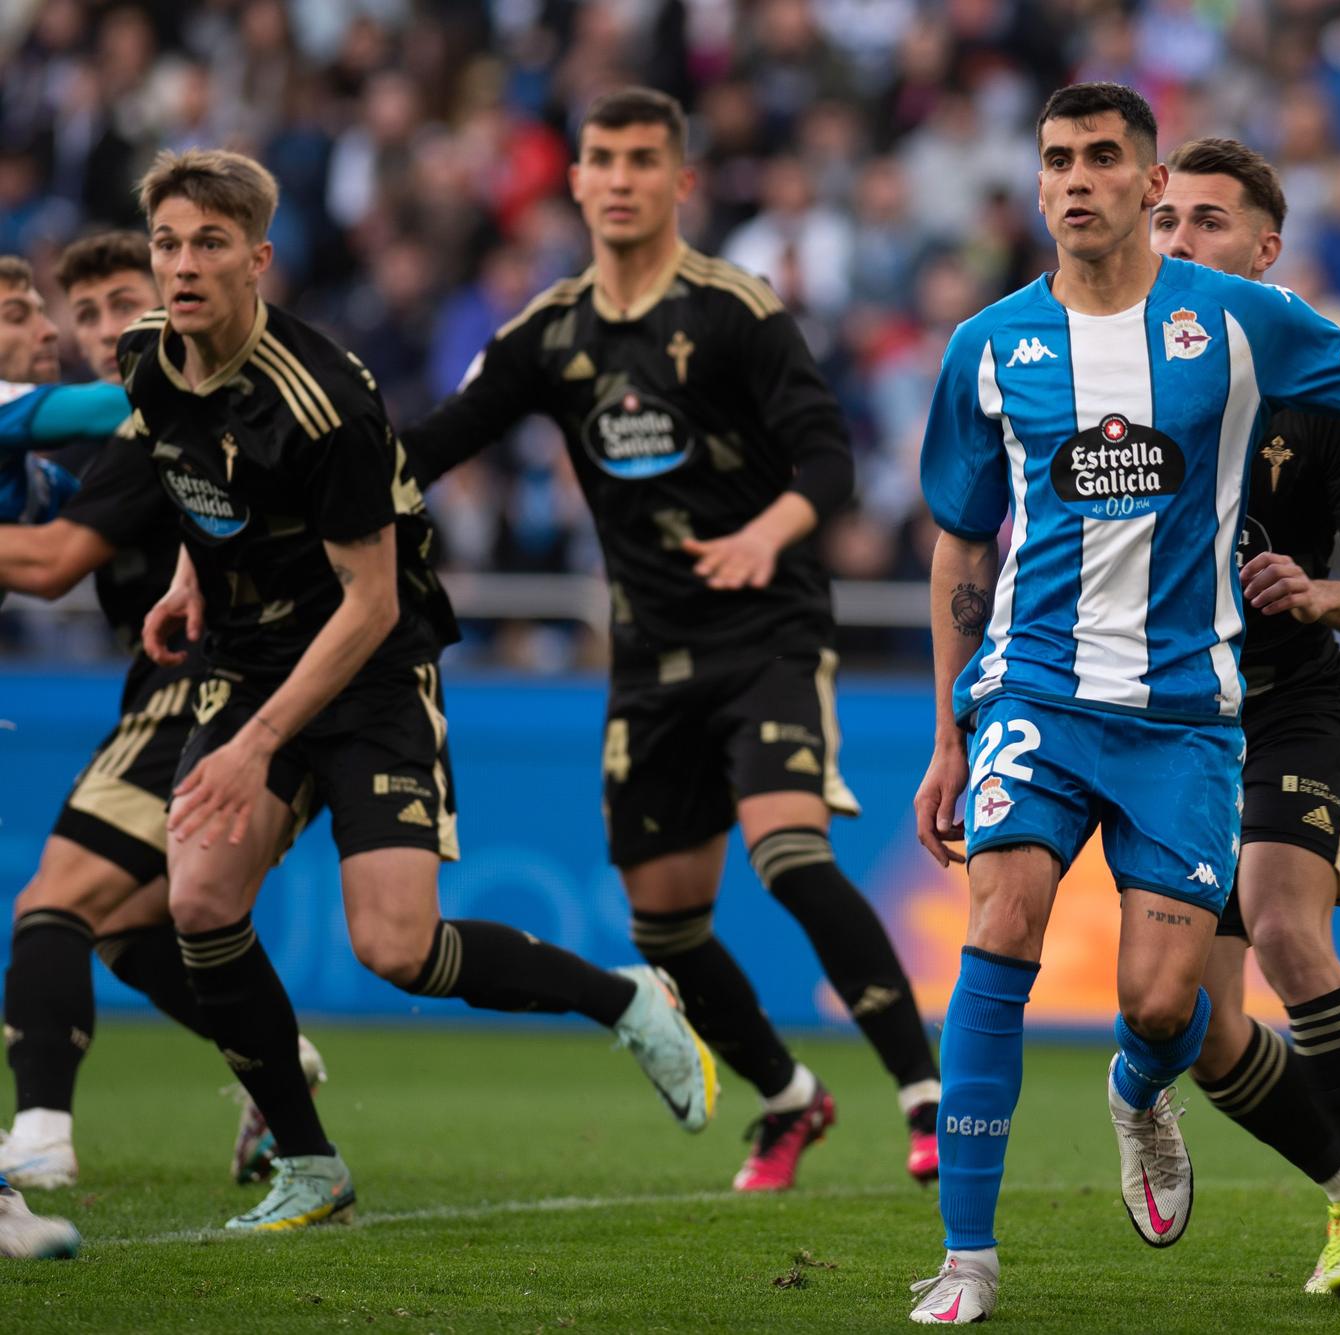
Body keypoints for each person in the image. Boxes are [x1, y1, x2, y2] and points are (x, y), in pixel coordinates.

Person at [908, 82, 1340, 1324]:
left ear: (1140, 185)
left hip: (1196, 711)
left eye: (1099, 160)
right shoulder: (988, 346)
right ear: (1036, 185)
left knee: (1162, 1004)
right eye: (1054, 161)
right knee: (1004, 918)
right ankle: (966, 1259)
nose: (1074, 180)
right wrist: (946, 731)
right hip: (1037, 688)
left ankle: (1141, 1088)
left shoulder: (1241, 324)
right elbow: (962, 546)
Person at [119, 147, 715, 1232]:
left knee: (395, 948)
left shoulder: (327, 403)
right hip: (246, 660)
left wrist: (254, 747)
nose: (183, 264)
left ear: (257, 260)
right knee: (201, 901)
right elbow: (196, 473)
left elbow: (371, 604)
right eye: (167, 242)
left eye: (209, 243)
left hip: (371, 671)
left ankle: (624, 998)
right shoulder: (148, 363)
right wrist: (186, 575)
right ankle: (310, 1164)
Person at [401, 87, 943, 1193]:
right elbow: (433, 446)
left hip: (766, 633)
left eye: (643, 159)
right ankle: (790, 1100)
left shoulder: (735, 311)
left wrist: (766, 534)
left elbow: (828, 461)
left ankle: (927, 1099)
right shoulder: (548, 333)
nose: (619, 178)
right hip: (648, 659)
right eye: (601, 158)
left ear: (680, 181)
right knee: (664, 924)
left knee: (789, 857)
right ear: (576, 178)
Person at [1151, 137, 1340, 1301]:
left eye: (1208, 222)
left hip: (1286, 709)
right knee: (1199, 1030)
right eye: (1166, 218)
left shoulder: (1321, 393)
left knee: (1278, 924)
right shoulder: (1108, 375)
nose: (1179, 242)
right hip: (1165, 727)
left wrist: (1320, 593)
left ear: (1265, 252)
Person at [0, 231, 329, 1191]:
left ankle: (41, 1134)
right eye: (84, 312)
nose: (101, 330)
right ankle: (274, 1062)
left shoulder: (161, 407)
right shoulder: (102, 437)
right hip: (195, 683)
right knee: (135, 927)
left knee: (51, 902)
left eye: (120, 305)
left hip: (212, 683)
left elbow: (54, 562)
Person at [0, 255, 131, 530]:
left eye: (43, 314)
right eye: (17, 317)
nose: (51, 331)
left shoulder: (40, 479)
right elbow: (109, 406)